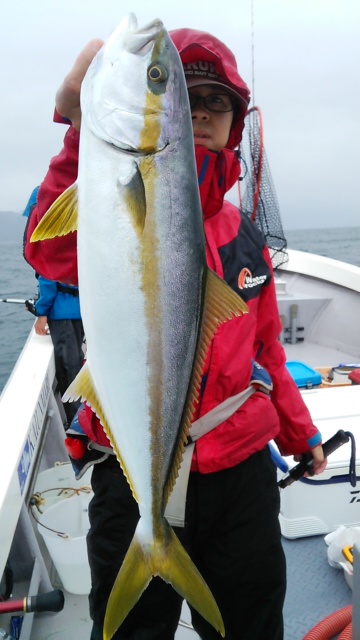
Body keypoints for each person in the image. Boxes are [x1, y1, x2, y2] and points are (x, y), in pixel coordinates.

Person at [24, 27, 327, 640]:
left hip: (240, 474)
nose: (206, 113)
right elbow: (49, 251)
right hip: (129, 472)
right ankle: (151, 543)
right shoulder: (108, 191)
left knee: (251, 622)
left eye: (220, 104)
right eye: (188, 100)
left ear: (235, 123)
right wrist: (82, 128)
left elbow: (266, 348)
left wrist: (301, 435)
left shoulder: (244, 235)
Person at [34, 275, 85, 425]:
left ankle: (77, 424)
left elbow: (47, 280)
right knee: (76, 362)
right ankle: (82, 418)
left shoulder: (49, 251)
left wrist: (42, 313)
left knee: (68, 368)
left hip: (62, 313)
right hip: (79, 310)